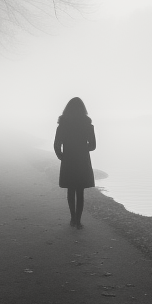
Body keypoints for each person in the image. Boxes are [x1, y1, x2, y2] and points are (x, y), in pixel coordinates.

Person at [53, 97, 96, 228]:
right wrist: (83, 149)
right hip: (82, 159)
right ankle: (78, 220)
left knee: (71, 190)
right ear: (83, 109)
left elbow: (56, 144)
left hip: (68, 159)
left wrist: (61, 156)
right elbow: (93, 146)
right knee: (80, 191)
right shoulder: (87, 124)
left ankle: (72, 219)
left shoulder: (63, 124)